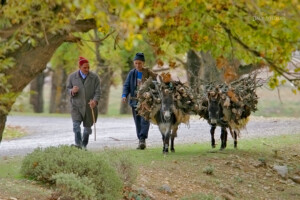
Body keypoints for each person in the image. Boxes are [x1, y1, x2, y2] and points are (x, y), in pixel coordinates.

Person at [122, 53, 157, 150]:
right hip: (135, 101)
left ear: (143, 63)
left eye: (140, 63)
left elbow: (156, 84)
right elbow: (126, 85)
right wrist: (124, 95)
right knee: (137, 121)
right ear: (134, 63)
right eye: (136, 63)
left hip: (146, 101)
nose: (138, 65)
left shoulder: (149, 73)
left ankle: (142, 139)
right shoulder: (131, 73)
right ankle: (140, 140)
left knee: (145, 120)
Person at [67, 56, 101, 150]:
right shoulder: (72, 77)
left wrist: (95, 101)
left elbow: (98, 92)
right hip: (76, 106)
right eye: (84, 67)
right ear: (80, 67)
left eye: (88, 67)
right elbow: (67, 89)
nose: (87, 69)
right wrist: (72, 91)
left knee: (87, 130)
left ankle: (84, 145)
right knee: (76, 126)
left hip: (89, 107)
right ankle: (78, 145)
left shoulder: (94, 77)